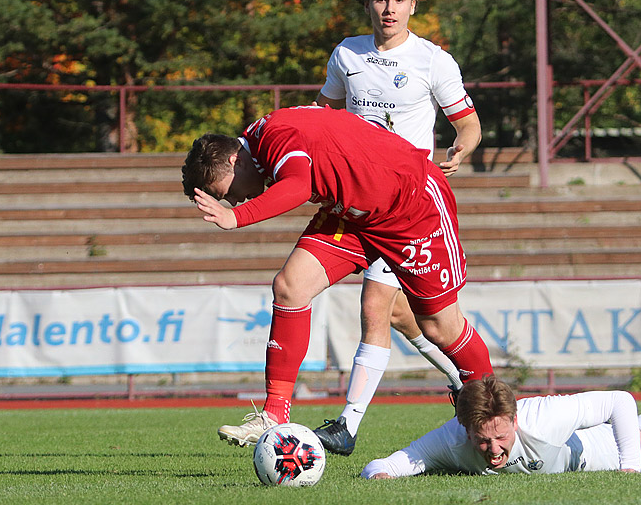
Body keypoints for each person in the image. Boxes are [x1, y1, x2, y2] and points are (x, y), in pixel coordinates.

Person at [181, 105, 494, 447]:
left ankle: (494, 416)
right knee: (290, 287)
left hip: (412, 206)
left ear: (232, 161)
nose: (236, 198)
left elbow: (299, 185)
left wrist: (237, 216)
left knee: (439, 326)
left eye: (226, 193)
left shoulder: (274, 135)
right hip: (354, 214)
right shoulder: (263, 142)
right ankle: (274, 413)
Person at [312, 0, 483, 455]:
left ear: (413, 5)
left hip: (407, 205)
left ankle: (347, 426)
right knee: (404, 318)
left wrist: (462, 146)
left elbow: (467, 122)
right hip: (356, 202)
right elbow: (326, 114)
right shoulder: (347, 54)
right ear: (367, 3)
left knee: (374, 306)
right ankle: (460, 379)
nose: (389, 8)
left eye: (399, 0)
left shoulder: (433, 59)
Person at [361, 375, 641, 479]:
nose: (495, 450)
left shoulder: (546, 416)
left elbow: (619, 400)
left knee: (636, 439)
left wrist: (630, 469)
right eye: (483, 442)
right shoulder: (450, 439)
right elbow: (384, 465)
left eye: (501, 436)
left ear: (515, 420)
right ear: (466, 429)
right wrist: (378, 477)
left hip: (578, 453)